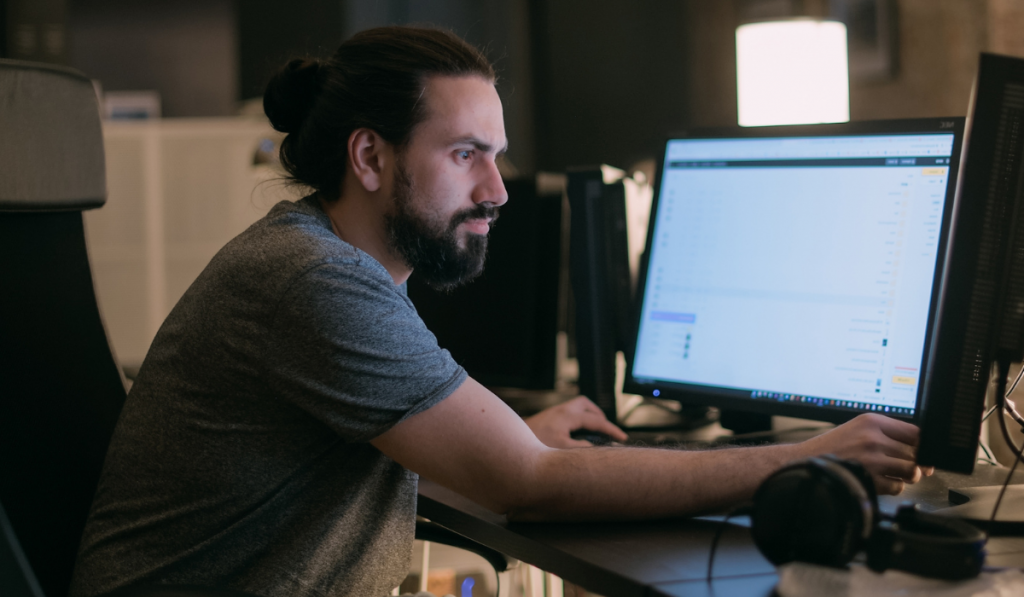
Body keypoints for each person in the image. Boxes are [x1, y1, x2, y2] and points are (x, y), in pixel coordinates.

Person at [71, 25, 929, 597]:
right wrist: (803, 456)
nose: (496, 190)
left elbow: (479, 461)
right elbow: (529, 485)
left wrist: (511, 444)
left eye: (498, 156)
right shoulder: (312, 280)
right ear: (368, 156)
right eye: (465, 154)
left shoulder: (328, 260)